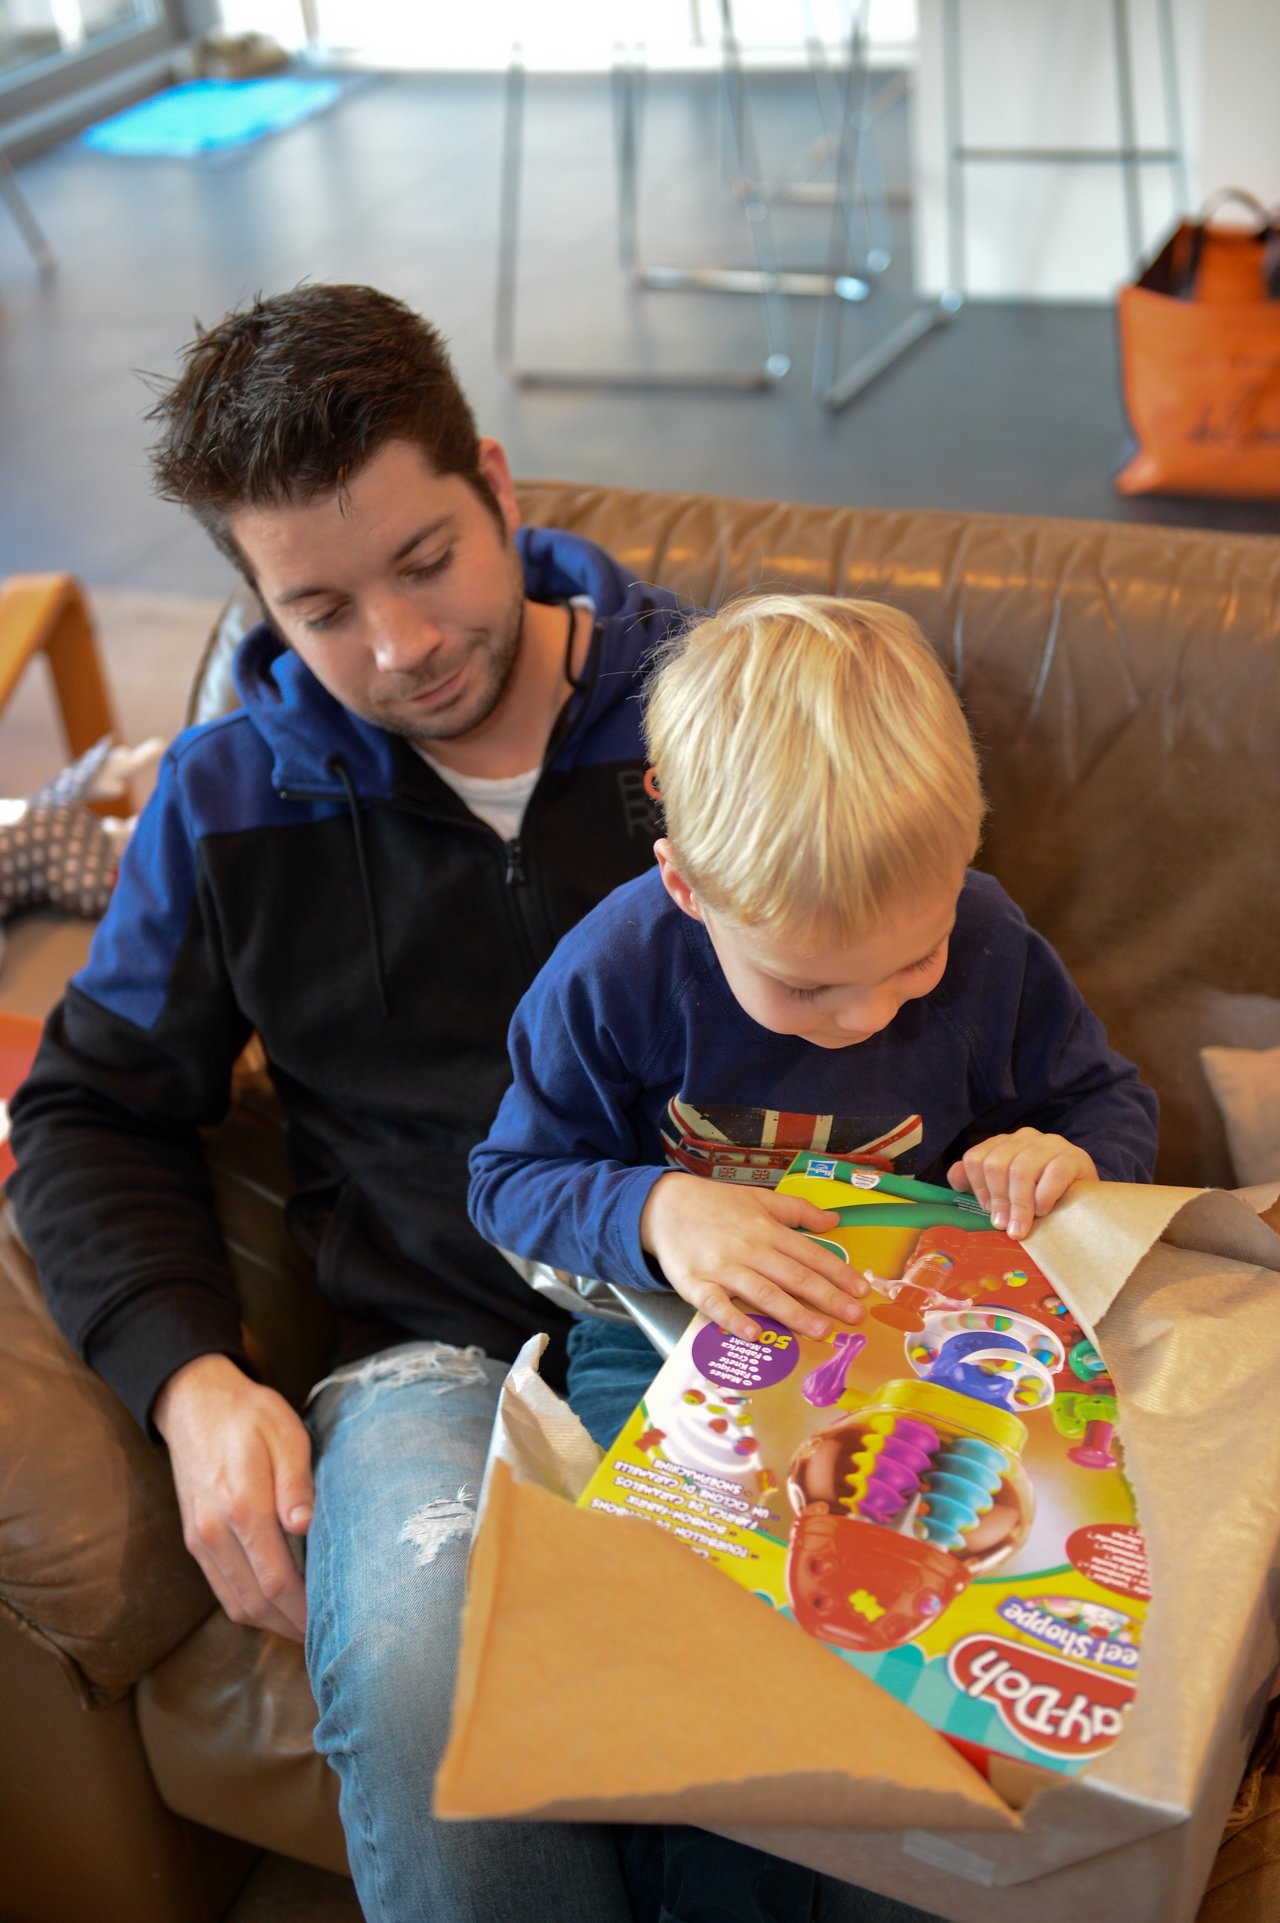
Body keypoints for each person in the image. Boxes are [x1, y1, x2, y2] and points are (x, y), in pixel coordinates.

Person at [7, 289, 944, 1923]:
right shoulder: (232, 803)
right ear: (257, 605)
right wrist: (191, 1379)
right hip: (424, 1372)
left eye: (428, 560)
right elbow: (88, 1111)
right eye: (321, 608)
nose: (400, 645)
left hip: (726, 1335)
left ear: (498, 483)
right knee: (433, 1659)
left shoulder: (712, 714)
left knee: (791, 1698)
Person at [469, 589, 1160, 1455]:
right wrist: (659, 1211)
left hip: (925, 1320)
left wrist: (1070, 1157)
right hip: (667, 1333)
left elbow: (1110, 1103)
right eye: (802, 986)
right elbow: (506, 1183)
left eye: (916, 961)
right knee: (670, 1552)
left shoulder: (991, 942)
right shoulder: (616, 970)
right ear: (687, 887)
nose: (866, 1014)